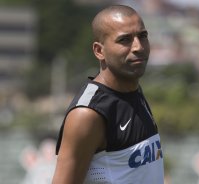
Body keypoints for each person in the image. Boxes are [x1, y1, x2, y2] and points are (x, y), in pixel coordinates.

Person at [52, 5, 164, 184]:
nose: (138, 47)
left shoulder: (133, 90)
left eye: (142, 36)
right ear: (99, 51)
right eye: (125, 40)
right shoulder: (88, 113)